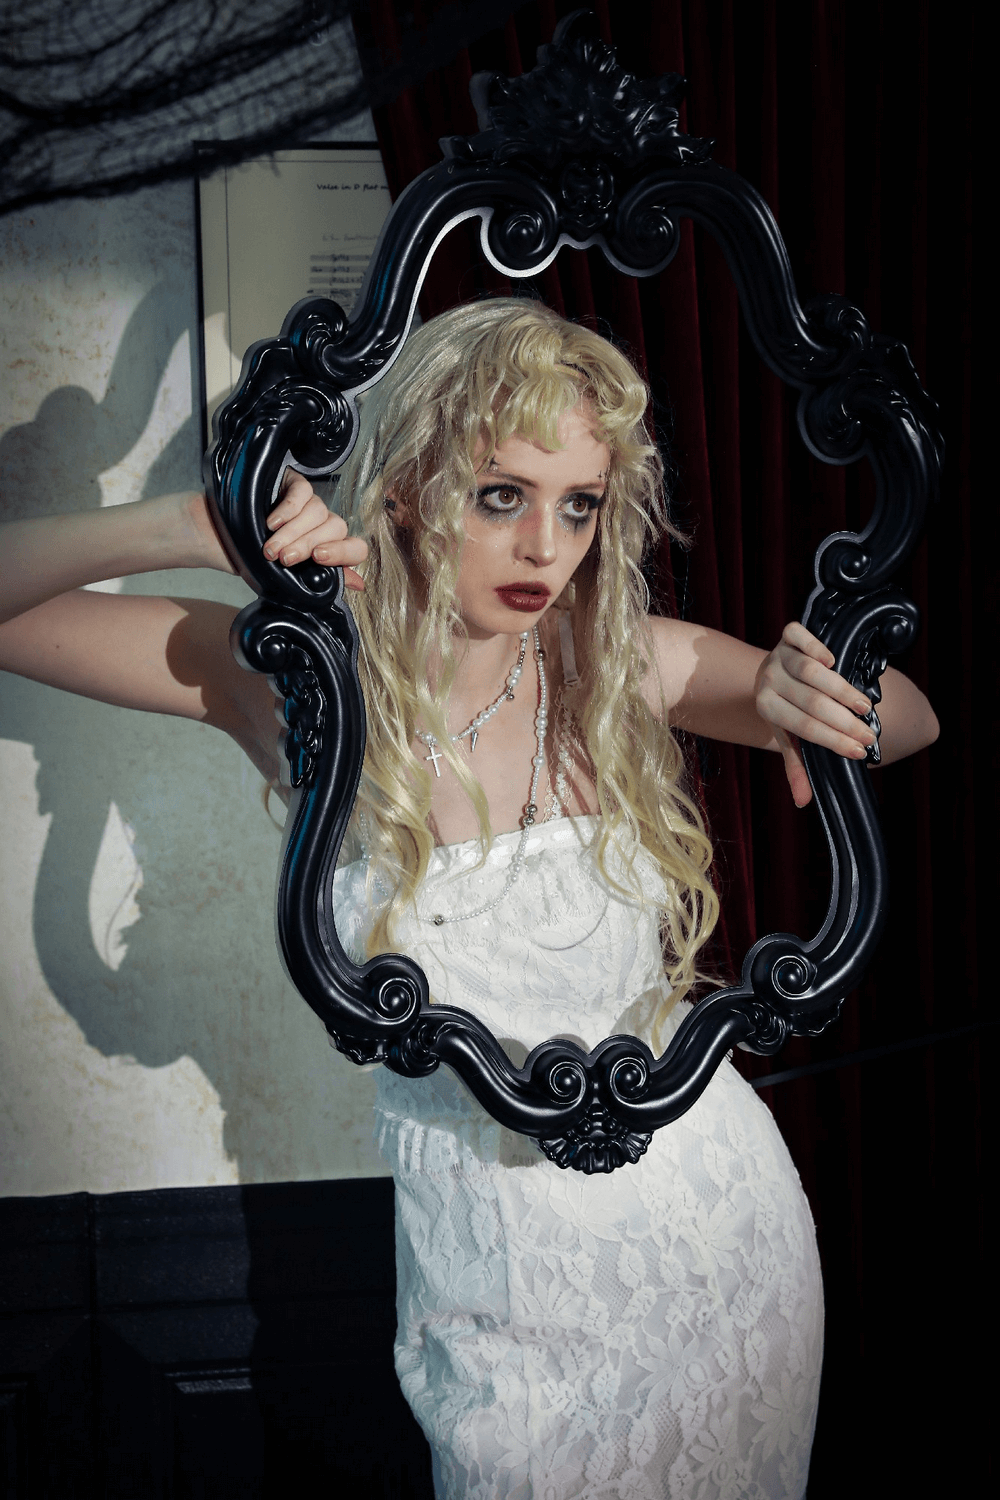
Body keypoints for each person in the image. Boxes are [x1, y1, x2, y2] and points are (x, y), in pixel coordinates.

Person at [0, 297, 938, 1498]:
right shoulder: (298, 681)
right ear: (404, 488)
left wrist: (818, 685)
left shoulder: (617, 666)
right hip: (495, 1271)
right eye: (502, 495)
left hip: (716, 1238)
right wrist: (196, 518)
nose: (545, 549)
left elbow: (910, 722)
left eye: (579, 504)